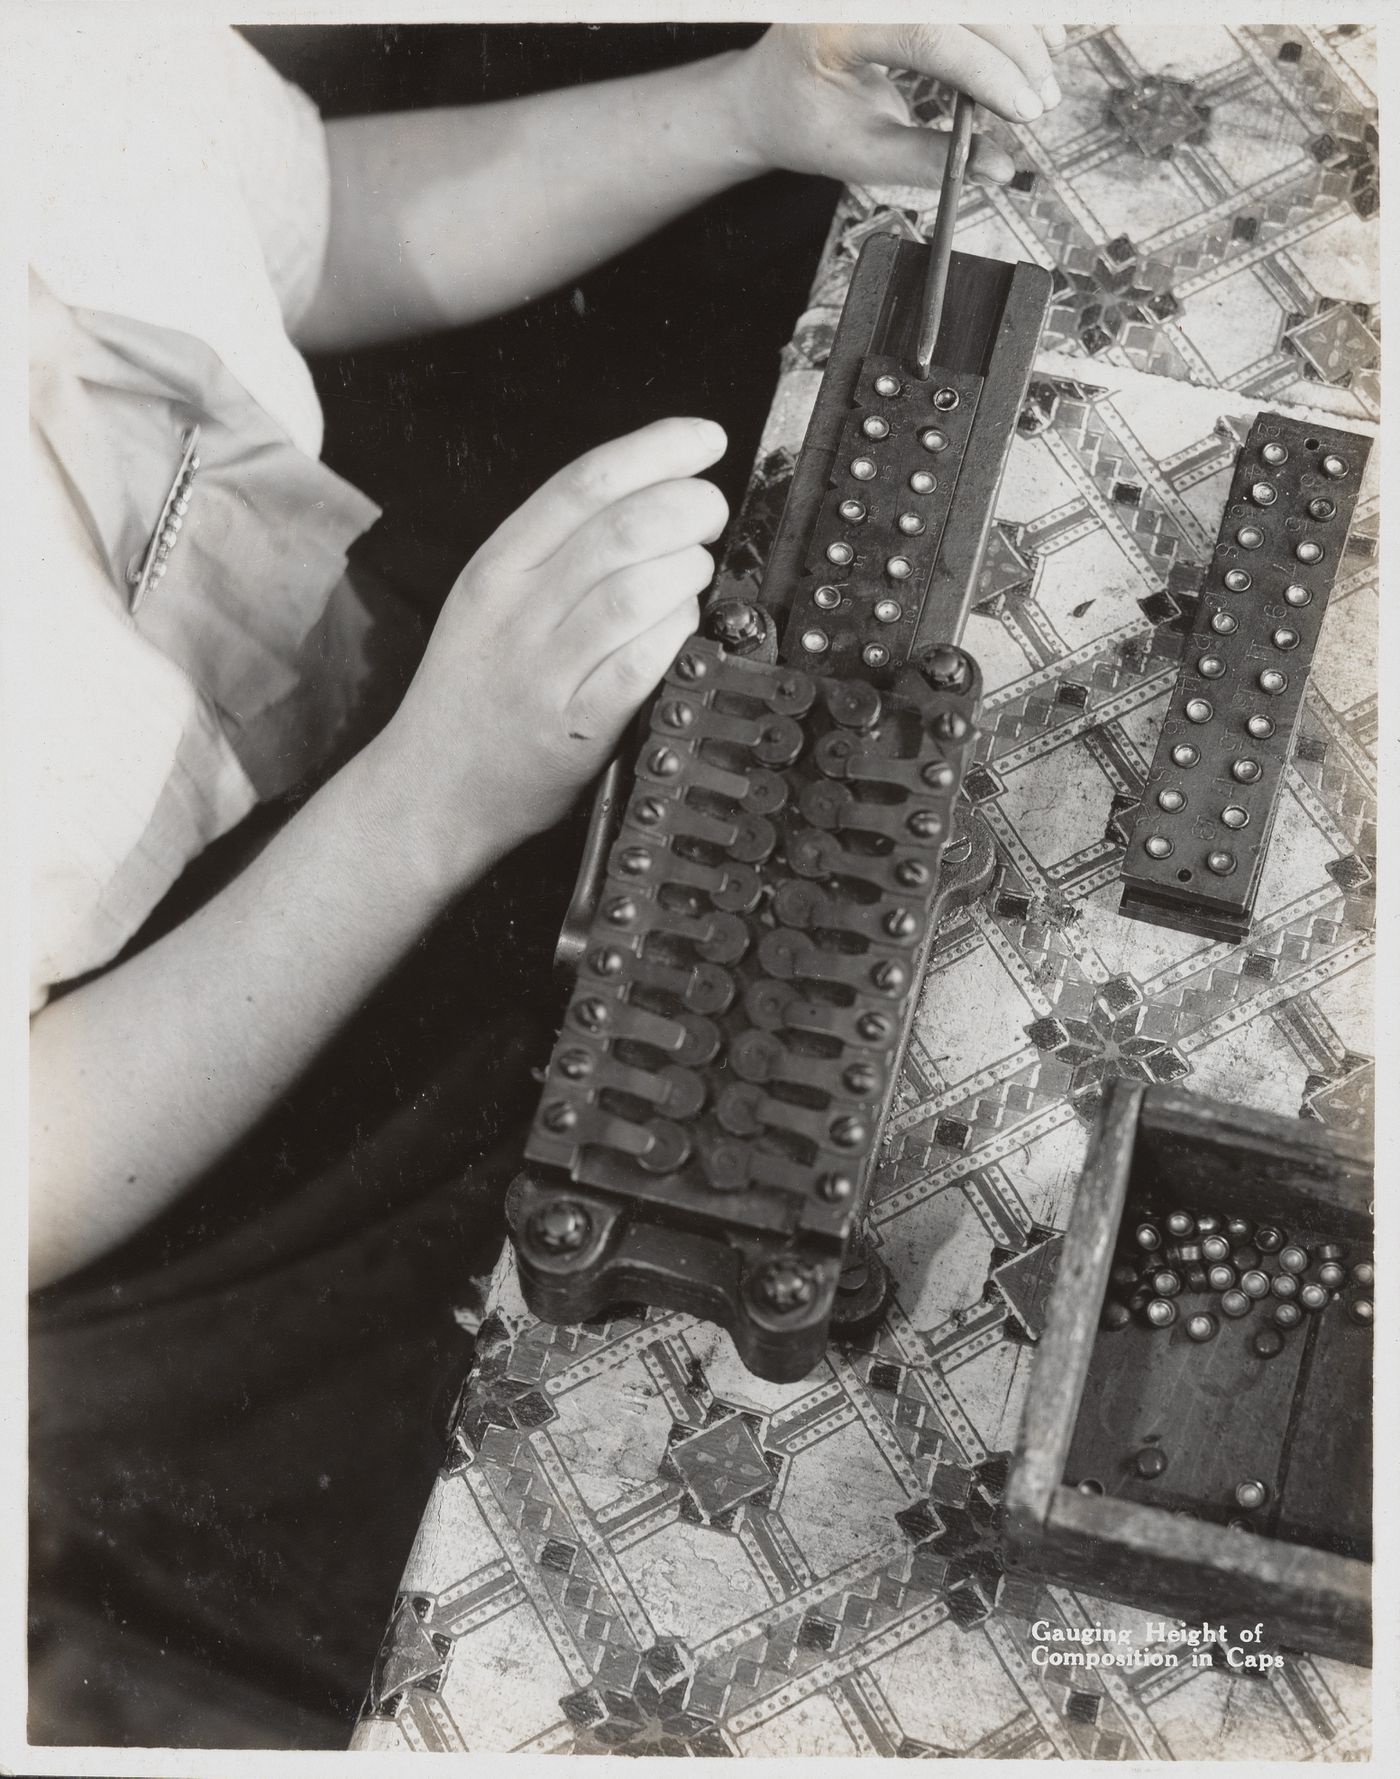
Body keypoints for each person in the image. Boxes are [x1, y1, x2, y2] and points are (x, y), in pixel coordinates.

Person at [21, 18, 1065, 1747]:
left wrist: (737, 111)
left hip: (362, 695)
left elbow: (314, 219)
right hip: (145, 1128)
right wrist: (427, 804)